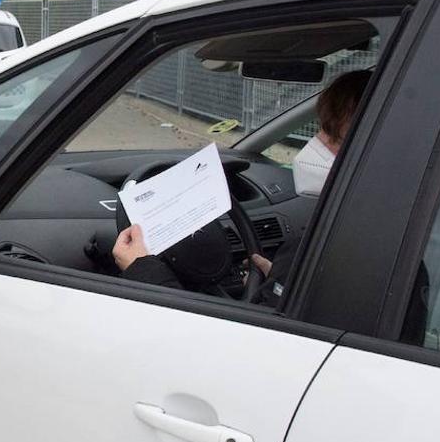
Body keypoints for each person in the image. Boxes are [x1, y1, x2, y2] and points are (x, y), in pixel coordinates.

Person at [114, 70, 373, 303]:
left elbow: (223, 344)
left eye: (331, 135)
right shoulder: (367, 229)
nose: (317, 142)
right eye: (320, 129)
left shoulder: (341, 244)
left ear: (371, 147)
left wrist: (143, 269)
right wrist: (282, 280)